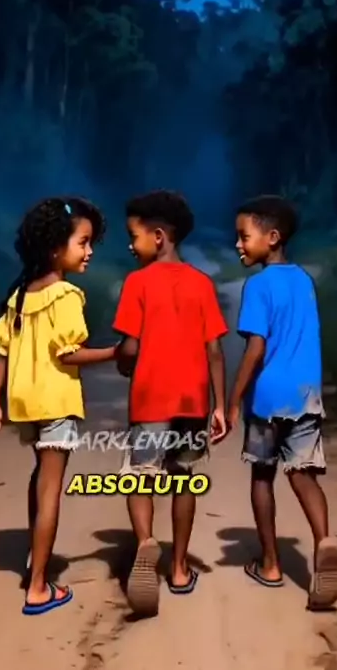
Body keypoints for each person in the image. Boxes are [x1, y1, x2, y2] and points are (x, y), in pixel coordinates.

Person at [0, 196, 117, 616]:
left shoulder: (20, 295)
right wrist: (116, 353)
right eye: (83, 242)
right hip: (55, 401)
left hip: (24, 403)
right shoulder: (66, 295)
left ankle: (33, 560)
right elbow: (69, 354)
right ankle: (39, 587)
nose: (89, 252)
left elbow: (2, 350)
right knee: (51, 489)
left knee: (39, 477)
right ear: (56, 247)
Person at [113, 189, 229, 617]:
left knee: (138, 478)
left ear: (159, 236)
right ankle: (179, 569)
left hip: (150, 400)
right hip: (193, 401)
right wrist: (219, 406)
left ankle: (146, 542)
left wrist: (125, 363)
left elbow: (129, 346)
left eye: (134, 236)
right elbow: (215, 351)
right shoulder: (202, 284)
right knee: (183, 480)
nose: (130, 245)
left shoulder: (137, 282)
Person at [226, 194, 337, 610]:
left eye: (244, 237)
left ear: (272, 237)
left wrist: (232, 400)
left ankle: (271, 564)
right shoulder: (304, 281)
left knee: (262, 475)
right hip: (305, 395)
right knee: (304, 474)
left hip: (268, 398)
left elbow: (256, 349)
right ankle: (324, 540)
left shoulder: (258, 286)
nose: (238, 245)